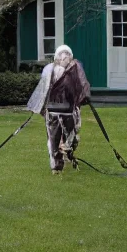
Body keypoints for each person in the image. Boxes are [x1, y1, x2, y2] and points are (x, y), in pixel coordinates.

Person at [26, 45, 91, 174]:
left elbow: (43, 91)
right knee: (71, 137)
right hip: (69, 111)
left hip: (52, 112)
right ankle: (66, 155)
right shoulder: (76, 67)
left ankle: (56, 166)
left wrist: (41, 109)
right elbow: (83, 88)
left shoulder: (49, 69)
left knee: (53, 139)